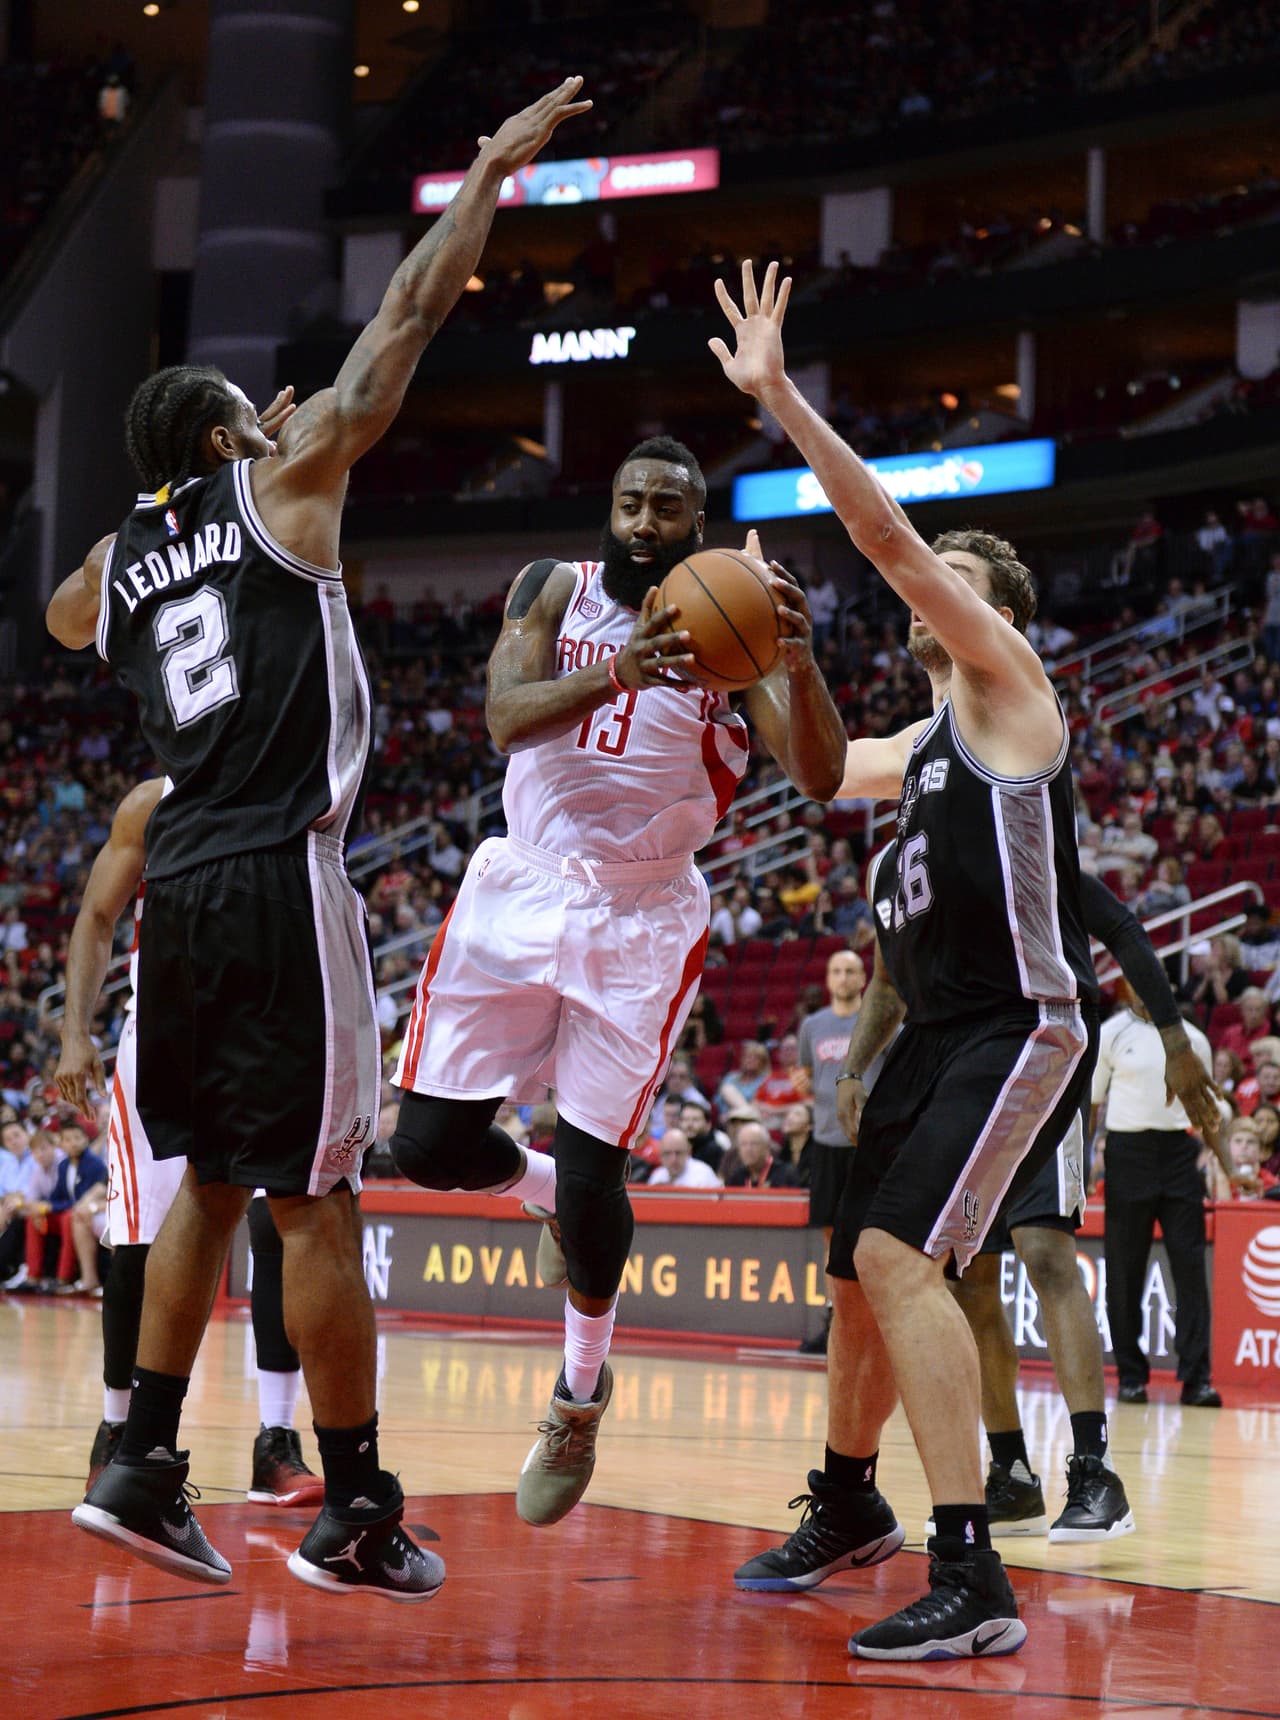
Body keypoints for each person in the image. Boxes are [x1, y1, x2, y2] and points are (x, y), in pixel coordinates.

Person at [46, 76, 594, 1597]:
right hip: (285, 876)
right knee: (316, 1203)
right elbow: (406, 325)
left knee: (205, 1189)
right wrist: (483, 170)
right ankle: (354, 1507)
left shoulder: (124, 559)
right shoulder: (286, 484)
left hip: (184, 891)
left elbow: (68, 604)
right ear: (237, 429)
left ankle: (139, 1464)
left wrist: (183, 490)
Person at [714, 260, 1097, 1660]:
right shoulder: (920, 745)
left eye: (964, 580)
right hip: (931, 1036)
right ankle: (848, 1499)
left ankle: (972, 1567)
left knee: (898, 1252)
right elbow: (817, 772)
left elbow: (886, 541)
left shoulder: (1006, 689)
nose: (945, 590)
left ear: (992, 612)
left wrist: (781, 406)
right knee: (851, 1274)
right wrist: (764, 644)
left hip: (1019, 1024)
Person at [389, 428, 846, 1530]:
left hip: (640, 915)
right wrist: (619, 668)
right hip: (523, 883)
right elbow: (503, 719)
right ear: (613, 505)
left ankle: (578, 1393)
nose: (645, 521)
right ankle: (544, 1196)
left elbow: (824, 778)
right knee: (427, 1149)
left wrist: (792, 653)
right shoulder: (556, 587)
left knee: (599, 1177)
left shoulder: (734, 646)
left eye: (669, 508)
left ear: (697, 522)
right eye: (632, 501)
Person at [54, 778, 326, 1503]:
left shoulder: (291, 786)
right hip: (169, 1041)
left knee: (279, 1229)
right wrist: (75, 1031)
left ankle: (275, 1443)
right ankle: (120, 1432)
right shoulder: (152, 803)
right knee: (138, 1245)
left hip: (270, 1034)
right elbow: (97, 914)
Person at [945, 871, 1226, 1542]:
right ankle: (1011, 1474)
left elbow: (1124, 929)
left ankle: (1095, 1471)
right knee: (971, 1280)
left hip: (1049, 1063)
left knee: (1045, 1253)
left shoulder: (1031, 837)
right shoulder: (929, 859)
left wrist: (1177, 1038)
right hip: (969, 1075)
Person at [1093, 982, 1230, 1408]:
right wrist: (1080, 1167)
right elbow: (1092, 1106)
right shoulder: (1111, 1033)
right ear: (1125, 989)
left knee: (1189, 1268)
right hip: (1127, 1152)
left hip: (1178, 1154)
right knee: (1124, 1269)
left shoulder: (1194, 1039)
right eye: (1135, 982)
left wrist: (1229, 1167)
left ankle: (1196, 1379)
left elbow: (1205, 1111)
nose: (1144, 990)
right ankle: (1131, 1376)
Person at [794, 949, 869, 1356]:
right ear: (828, 979)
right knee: (831, 1237)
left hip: (869, 1144)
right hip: (824, 1142)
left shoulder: (880, 1022)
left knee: (871, 1236)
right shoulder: (812, 1025)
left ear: (863, 979)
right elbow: (806, 1076)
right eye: (836, 970)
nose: (843, 978)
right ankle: (835, 1319)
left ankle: (869, 1323)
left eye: (851, 971)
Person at [724, 1120, 800, 1188]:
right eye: (743, 1144)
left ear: (766, 1148)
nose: (748, 1149)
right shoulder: (736, 1177)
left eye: (754, 1144)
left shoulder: (786, 1174)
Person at [646, 1129, 723, 1189]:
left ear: (688, 1152)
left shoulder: (703, 1175)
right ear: (661, 1155)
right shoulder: (657, 1177)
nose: (673, 1159)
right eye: (667, 1153)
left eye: (678, 1153)